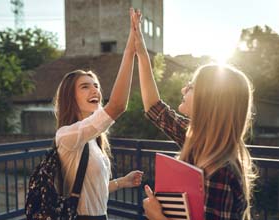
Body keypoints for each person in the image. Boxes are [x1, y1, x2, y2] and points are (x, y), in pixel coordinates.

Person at [131, 10, 257, 220]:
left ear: (208, 101)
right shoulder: (198, 139)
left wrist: (157, 216)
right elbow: (154, 108)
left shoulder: (221, 171)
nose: (183, 90)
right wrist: (142, 53)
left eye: (191, 87)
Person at [54, 9, 143, 220]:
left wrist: (122, 182)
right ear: (70, 97)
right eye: (85, 87)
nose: (95, 90)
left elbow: (91, 189)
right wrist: (130, 51)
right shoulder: (67, 136)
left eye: (96, 85)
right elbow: (118, 105)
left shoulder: (92, 138)